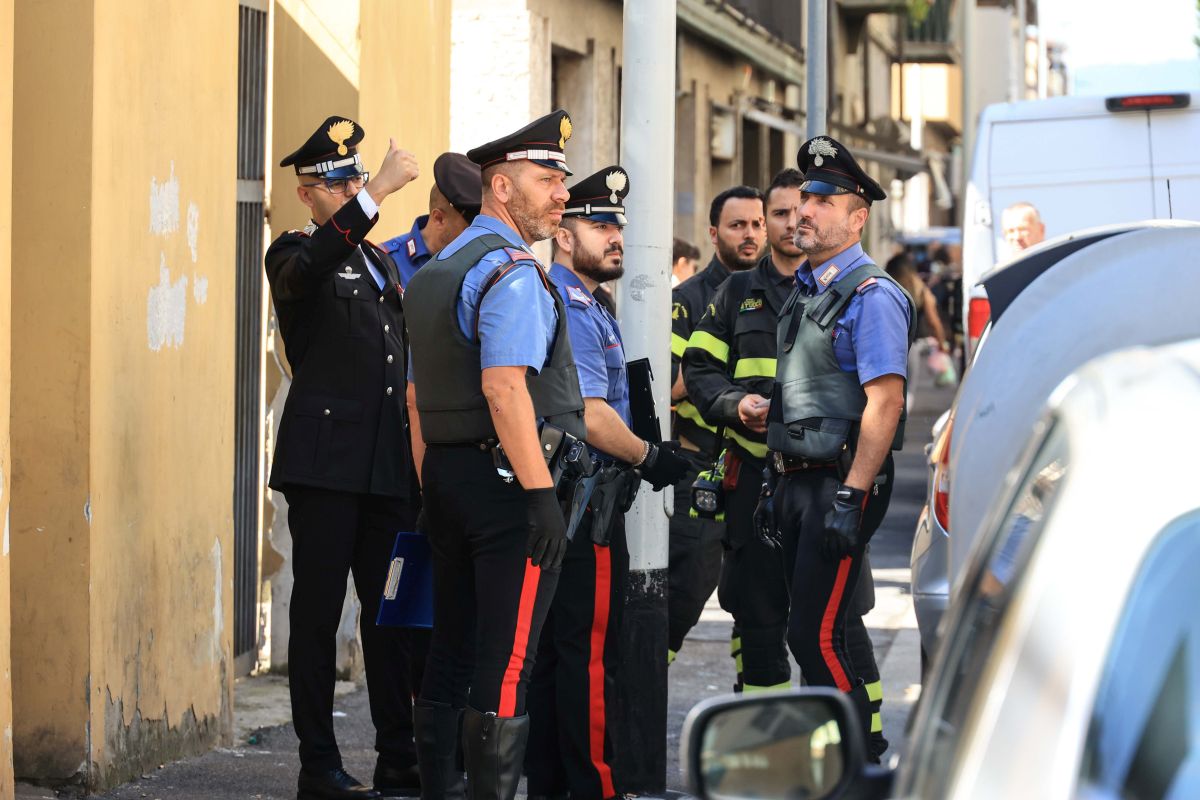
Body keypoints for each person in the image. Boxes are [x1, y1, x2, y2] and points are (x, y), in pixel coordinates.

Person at [265, 116, 421, 799]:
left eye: (357, 177)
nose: (354, 187)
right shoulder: (292, 252)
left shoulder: (381, 261)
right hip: (325, 466)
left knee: (391, 614)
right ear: (308, 194)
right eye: (339, 183)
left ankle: (398, 752)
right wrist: (379, 192)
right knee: (319, 614)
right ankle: (317, 764)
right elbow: (311, 268)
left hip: (384, 466)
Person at [526, 166, 688, 800]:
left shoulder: (593, 302)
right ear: (563, 236)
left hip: (576, 504)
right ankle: (595, 787)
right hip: (583, 504)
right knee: (590, 658)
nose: (615, 235)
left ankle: (553, 784)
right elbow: (592, 416)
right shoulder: (571, 303)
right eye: (599, 224)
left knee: (561, 656)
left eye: (619, 224)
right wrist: (650, 456)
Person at [757, 136, 914, 764]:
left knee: (815, 634)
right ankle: (840, 755)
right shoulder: (806, 288)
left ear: (857, 217)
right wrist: (776, 484)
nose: (805, 211)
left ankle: (853, 765)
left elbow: (886, 402)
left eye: (824, 200)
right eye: (803, 199)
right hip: (799, 481)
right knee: (822, 630)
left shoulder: (872, 295)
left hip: (838, 483)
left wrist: (851, 497)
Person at [667, 186, 765, 678]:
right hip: (699, 471)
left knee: (757, 605)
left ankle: (751, 702)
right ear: (713, 234)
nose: (749, 235)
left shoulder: (782, 295)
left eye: (757, 224)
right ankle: (633, 713)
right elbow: (670, 388)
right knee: (680, 601)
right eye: (737, 225)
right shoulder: (685, 302)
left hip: (758, 473)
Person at [380, 152, 482, 289]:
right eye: (468, 229)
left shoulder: (482, 265)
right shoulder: (386, 263)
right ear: (439, 219)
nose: (477, 238)